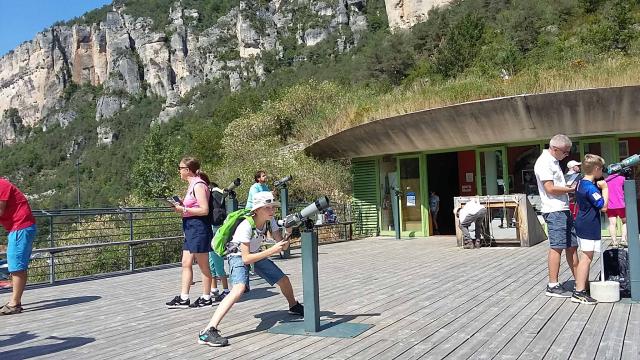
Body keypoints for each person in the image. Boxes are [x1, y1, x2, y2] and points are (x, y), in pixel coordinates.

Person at [198, 192, 304, 347]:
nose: (271, 210)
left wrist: (288, 233)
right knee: (239, 289)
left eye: (272, 207)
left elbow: (282, 245)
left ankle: (293, 305)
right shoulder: (246, 226)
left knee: (284, 280)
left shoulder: (270, 220)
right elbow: (246, 258)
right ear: (257, 209)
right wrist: (273, 250)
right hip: (238, 256)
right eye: (267, 207)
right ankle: (208, 330)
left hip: (256, 254)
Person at [166, 157, 215, 308]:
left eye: (180, 168)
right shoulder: (192, 185)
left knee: (203, 264)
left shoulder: (199, 185)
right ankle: (184, 297)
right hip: (190, 227)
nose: (179, 171)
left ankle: (206, 297)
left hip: (198, 227)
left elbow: (204, 210)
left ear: (188, 170)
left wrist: (184, 209)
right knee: (186, 262)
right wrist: (180, 205)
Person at [534, 134, 578, 298]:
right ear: (555, 149)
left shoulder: (554, 161)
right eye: (565, 152)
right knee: (557, 246)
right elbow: (550, 188)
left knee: (572, 246)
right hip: (554, 210)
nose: (567, 155)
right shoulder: (544, 162)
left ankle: (580, 281)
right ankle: (552, 285)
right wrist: (571, 189)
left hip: (563, 208)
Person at [573, 154, 608, 305]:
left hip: (583, 222)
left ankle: (581, 288)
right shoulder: (589, 187)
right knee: (586, 259)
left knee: (586, 257)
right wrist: (605, 189)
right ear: (595, 169)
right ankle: (579, 292)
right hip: (588, 225)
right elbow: (604, 206)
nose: (602, 171)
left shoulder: (580, 182)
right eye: (601, 169)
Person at [0, 177, 37, 315]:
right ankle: (16, 302)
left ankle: (14, 304)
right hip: (19, 227)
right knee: (16, 264)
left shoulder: (0, 185)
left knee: (16, 266)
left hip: (20, 227)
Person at [208, 183, 229, 302]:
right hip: (218, 228)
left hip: (212, 229)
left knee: (214, 260)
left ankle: (223, 290)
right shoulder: (219, 195)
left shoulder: (211, 195)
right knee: (215, 260)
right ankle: (216, 289)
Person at [605, 172, 627, 247]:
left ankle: (614, 242)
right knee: (625, 222)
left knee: (612, 224)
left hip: (610, 205)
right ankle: (623, 240)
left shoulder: (606, 180)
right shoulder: (622, 179)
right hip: (621, 204)